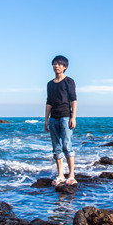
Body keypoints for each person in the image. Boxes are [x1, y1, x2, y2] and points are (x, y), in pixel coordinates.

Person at [44, 55, 78, 186]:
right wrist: (46, 120)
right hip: (53, 118)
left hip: (66, 117)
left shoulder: (69, 81)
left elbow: (73, 99)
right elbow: (48, 102)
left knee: (67, 146)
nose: (56, 66)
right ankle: (60, 175)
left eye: (59, 64)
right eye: (54, 64)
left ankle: (71, 175)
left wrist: (73, 117)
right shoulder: (50, 84)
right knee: (56, 148)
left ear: (65, 67)